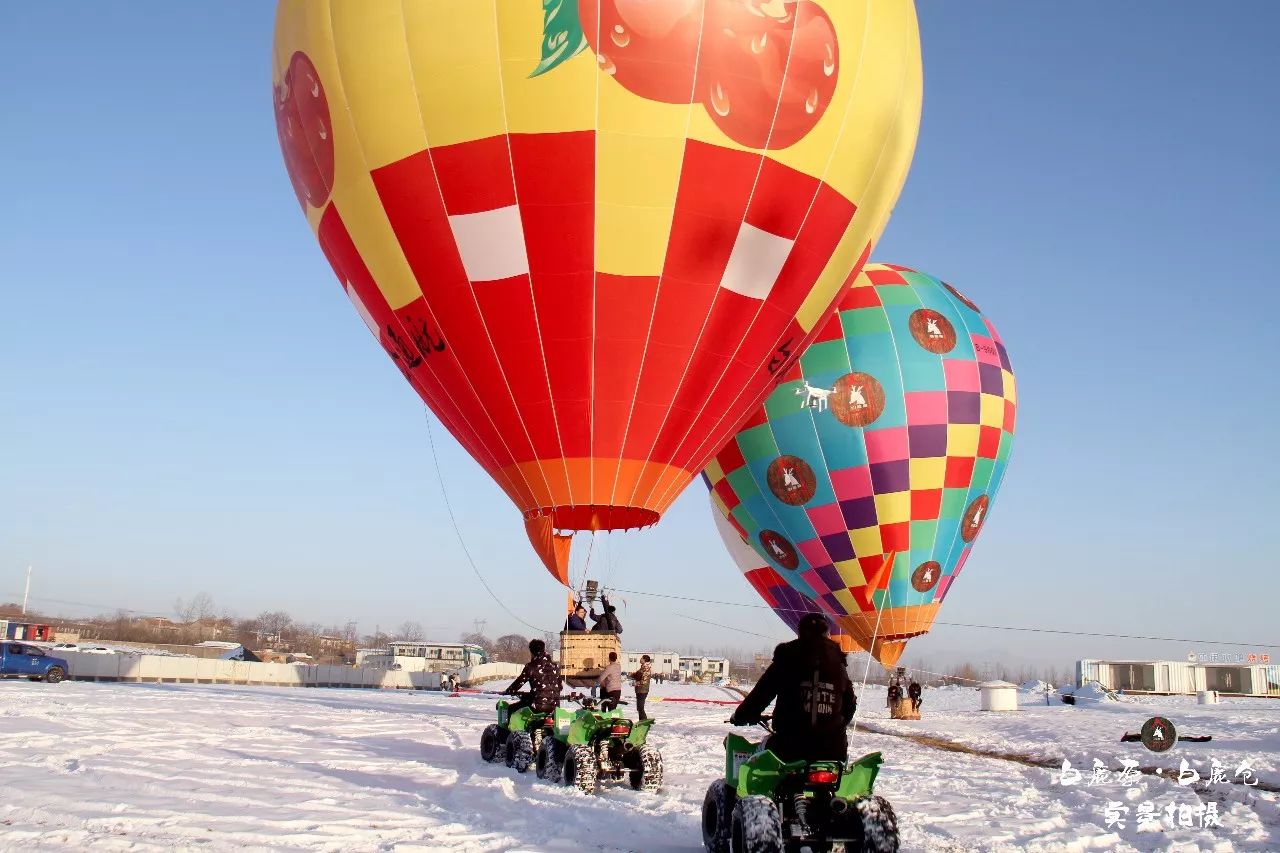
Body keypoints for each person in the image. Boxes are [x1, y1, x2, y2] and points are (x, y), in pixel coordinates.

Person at [729, 613, 855, 763]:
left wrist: (743, 715)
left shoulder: (787, 658)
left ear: (800, 633)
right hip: (834, 751)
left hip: (788, 748)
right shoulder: (839, 665)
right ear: (827, 634)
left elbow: (761, 694)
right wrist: (833, 726)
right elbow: (850, 705)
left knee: (752, 762)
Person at [503, 639, 562, 715]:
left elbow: (519, 683)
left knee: (511, 709)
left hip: (537, 706)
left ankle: (508, 726)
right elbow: (560, 687)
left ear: (531, 652)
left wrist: (509, 691)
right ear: (543, 649)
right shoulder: (555, 666)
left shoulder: (531, 667)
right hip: (555, 707)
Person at [631, 654, 653, 721]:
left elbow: (644, 681)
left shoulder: (646, 668)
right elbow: (639, 676)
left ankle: (644, 721)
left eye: (641, 658)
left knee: (640, 707)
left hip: (643, 690)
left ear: (644, 660)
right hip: (639, 690)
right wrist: (633, 675)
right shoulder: (642, 667)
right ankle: (642, 721)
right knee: (639, 707)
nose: (640, 659)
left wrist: (635, 683)